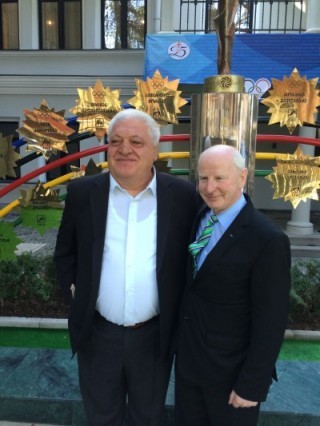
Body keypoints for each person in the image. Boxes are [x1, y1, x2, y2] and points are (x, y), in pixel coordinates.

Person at [54, 108, 198, 426]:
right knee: (101, 416)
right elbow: (65, 253)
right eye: (115, 140)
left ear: (154, 150)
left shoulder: (184, 197)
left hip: (154, 336)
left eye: (136, 141)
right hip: (97, 332)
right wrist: (75, 295)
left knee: (148, 417)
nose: (124, 149)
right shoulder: (82, 193)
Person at [175, 144, 291, 426]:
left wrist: (252, 384)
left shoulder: (268, 239)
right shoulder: (200, 217)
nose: (209, 187)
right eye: (203, 178)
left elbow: (271, 320)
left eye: (219, 178)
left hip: (232, 380)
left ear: (242, 177)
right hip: (189, 371)